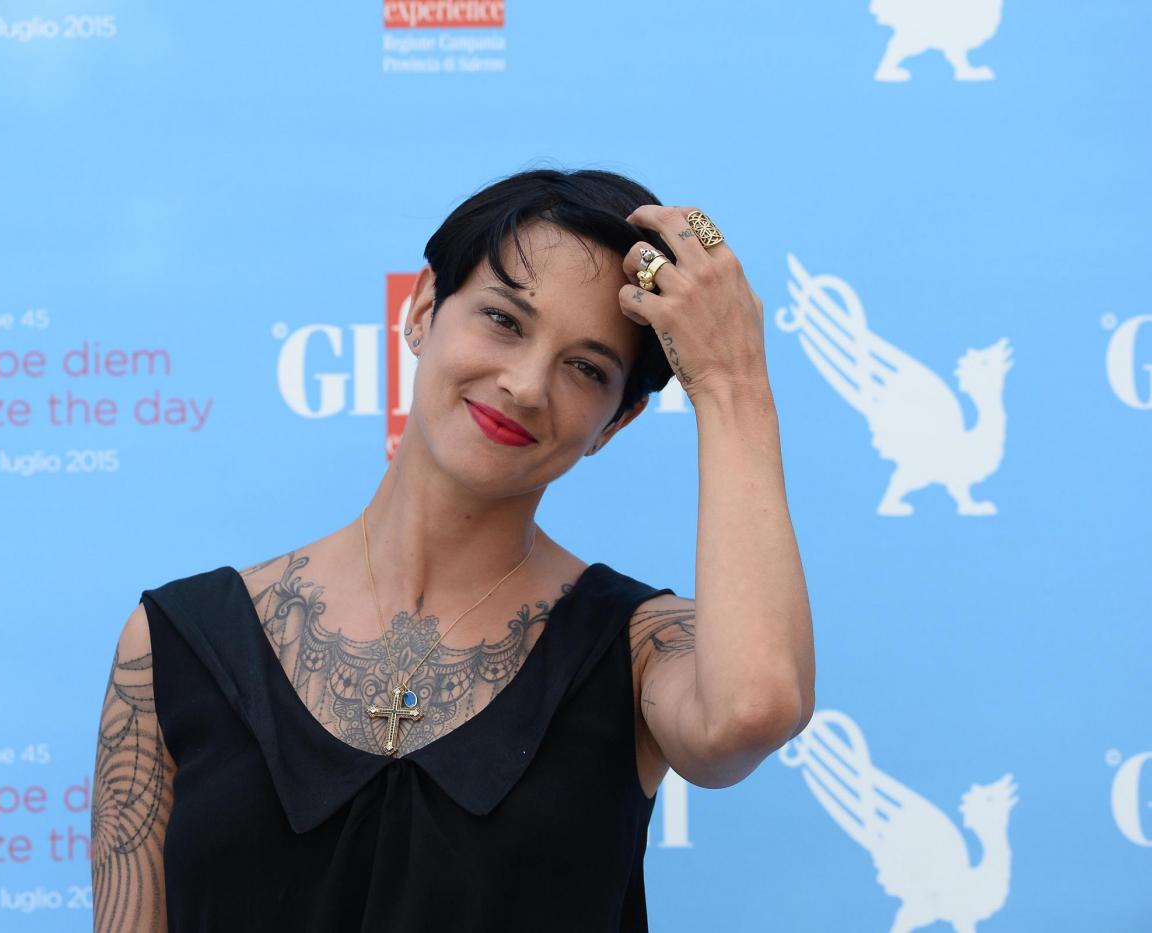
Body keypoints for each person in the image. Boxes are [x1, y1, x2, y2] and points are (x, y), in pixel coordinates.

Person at [89, 167, 814, 931]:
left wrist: (733, 382)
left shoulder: (634, 651)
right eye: (504, 319)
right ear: (423, 308)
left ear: (618, 421)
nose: (526, 384)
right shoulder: (175, 644)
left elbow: (751, 710)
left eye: (586, 367)